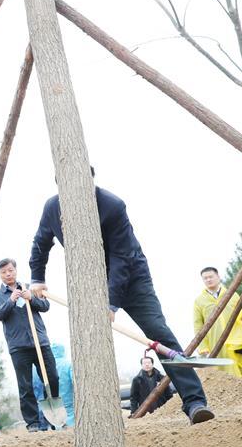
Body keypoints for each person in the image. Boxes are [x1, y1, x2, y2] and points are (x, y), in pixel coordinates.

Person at [29, 179, 214, 425]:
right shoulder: (53, 207)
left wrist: (111, 303)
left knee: (159, 332)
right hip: (91, 282)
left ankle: (194, 402)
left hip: (133, 278)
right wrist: (37, 278)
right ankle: (97, 416)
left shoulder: (112, 205)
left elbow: (121, 258)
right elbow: (41, 242)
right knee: (90, 345)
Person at [0, 258, 60, 432]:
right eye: (4, 271)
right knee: (25, 385)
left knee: (52, 377)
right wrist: (11, 301)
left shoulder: (30, 288)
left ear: (15, 270)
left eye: (10, 270)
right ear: (0, 275)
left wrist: (31, 298)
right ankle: (33, 423)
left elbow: (46, 305)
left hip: (39, 341)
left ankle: (54, 418)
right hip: (18, 346)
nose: (8, 274)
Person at [193, 267, 242, 379]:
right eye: (205, 278)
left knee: (240, 370)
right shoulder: (199, 301)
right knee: (222, 374)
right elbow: (198, 326)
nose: (208, 280)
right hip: (214, 342)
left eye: (211, 277)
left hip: (236, 339)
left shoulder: (232, 294)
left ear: (218, 277)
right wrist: (203, 347)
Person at [33, 343, 75, 428]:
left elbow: (35, 386)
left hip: (50, 405)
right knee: (70, 424)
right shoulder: (68, 364)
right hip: (69, 403)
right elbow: (74, 382)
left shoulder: (42, 367)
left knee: (56, 422)